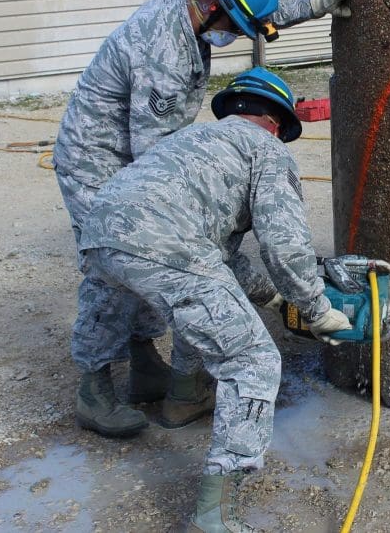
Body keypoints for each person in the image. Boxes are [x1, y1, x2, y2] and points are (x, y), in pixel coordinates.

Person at [52, 0, 356, 438]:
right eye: (233, 26)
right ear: (214, 8)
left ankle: (147, 363)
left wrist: (316, 3)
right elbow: (155, 159)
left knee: (154, 253)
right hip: (101, 163)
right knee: (120, 262)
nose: (236, 36)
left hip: (136, 158)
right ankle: (95, 388)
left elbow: (255, 15)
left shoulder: (193, 11)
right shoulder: (166, 54)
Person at [76, 69, 351, 531]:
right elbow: (284, 245)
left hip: (102, 226)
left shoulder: (191, 140)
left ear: (234, 109)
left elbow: (222, 263)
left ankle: (144, 394)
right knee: (252, 359)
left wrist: (270, 300)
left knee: (189, 297)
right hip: (169, 243)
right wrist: (317, 309)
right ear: (279, 124)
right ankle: (215, 511)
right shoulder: (266, 151)